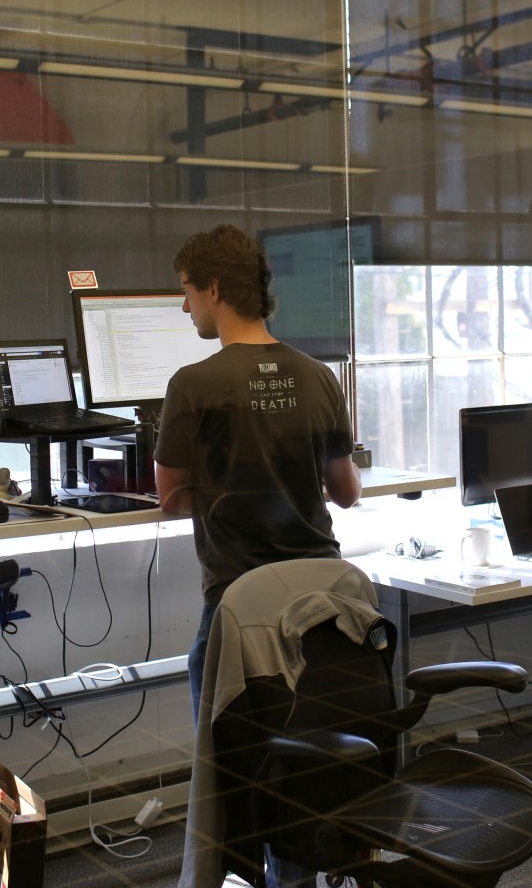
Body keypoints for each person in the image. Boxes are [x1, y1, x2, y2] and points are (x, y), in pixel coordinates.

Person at [154, 223, 361, 888]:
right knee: (300, 760)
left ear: (215, 287)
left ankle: (235, 874)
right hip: (323, 612)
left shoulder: (193, 384)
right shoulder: (319, 376)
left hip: (240, 617)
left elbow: (169, 497)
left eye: (188, 292)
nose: (186, 307)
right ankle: (298, 873)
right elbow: (346, 491)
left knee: (230, 776)